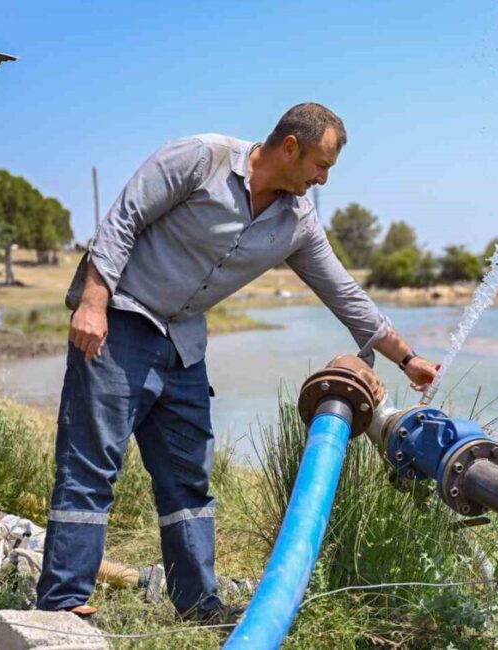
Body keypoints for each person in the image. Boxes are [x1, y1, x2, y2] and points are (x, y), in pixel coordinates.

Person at [36, 103, 438, 621]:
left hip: (184, 344)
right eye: (321, 165)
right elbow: (123, 219)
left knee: (189, 478)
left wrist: (406, 359)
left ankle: (198, 606)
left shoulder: (298, 221)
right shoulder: (200, 159)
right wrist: (92, 303)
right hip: (121, 323)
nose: (323, 179)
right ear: (289, 146)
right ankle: (63, 603)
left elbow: (345, 294)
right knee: (92, 464)